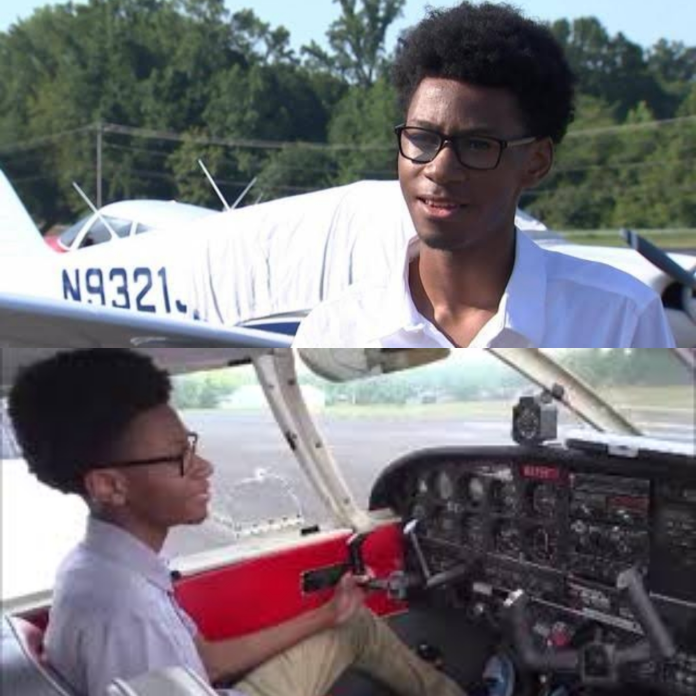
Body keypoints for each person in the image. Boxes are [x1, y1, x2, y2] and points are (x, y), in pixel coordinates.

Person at [8, 348, 465, 696]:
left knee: (353, 625)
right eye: (179, 456)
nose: (203, 465)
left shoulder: (102, 565)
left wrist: (329, 613)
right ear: (109, 487)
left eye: (191, 443)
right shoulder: (130, 615)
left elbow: (205, 662)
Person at [293, 2, 675, 348]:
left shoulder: (619, 321)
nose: (440, 168)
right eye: (422, 138)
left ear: (536, 161)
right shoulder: (334, 333)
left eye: (477, 145)